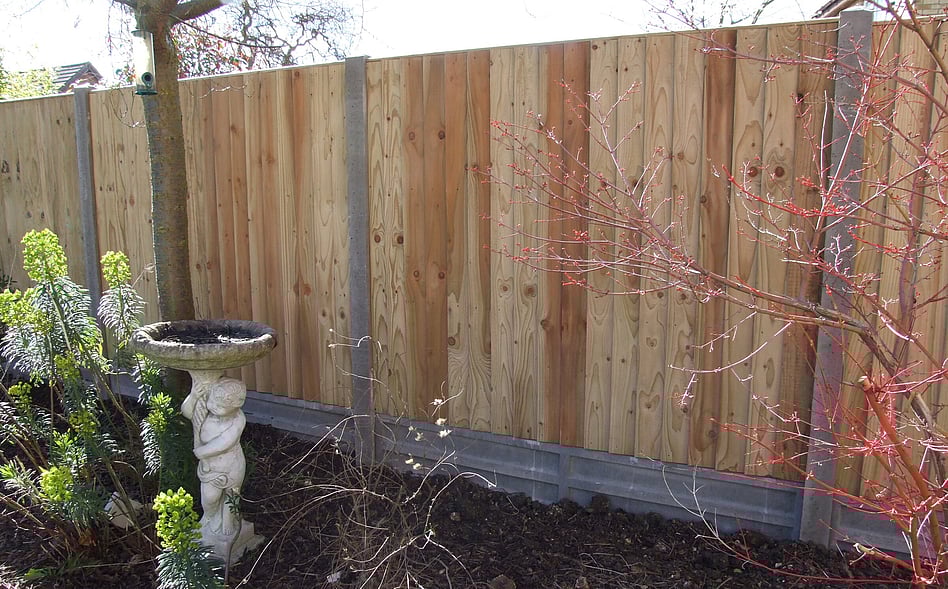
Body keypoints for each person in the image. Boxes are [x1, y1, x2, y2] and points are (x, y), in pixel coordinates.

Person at [191, 377, 247, 538]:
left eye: (220, 406)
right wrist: (195, 396)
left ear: (235, 406)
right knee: (209, 497)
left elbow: (225, 442)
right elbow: (189, 412)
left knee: (232, 493)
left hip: (231, 465)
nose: (213, 407)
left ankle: (229, 519)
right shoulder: (206, 413)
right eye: (212, 402)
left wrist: (203, 452)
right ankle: (209, 515)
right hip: (211, 467)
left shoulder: (238, 419)